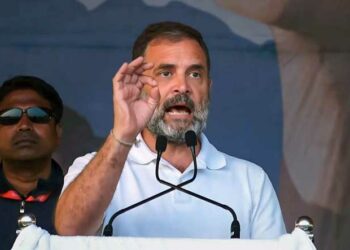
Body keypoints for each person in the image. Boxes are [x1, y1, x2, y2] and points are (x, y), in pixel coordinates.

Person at [55, 21, 286, 239]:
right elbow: (70, 231)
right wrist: (123, 133)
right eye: (166, 73)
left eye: (195, 74)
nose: (183, 87)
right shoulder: (92, 168)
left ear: (209, 88)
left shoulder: (251, 181)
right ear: (138, 85)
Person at [0, 76, 64, 249]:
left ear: (57, 132)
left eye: (38, 115)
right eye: (9, 116)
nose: (24, 125)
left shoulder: (77, 198)